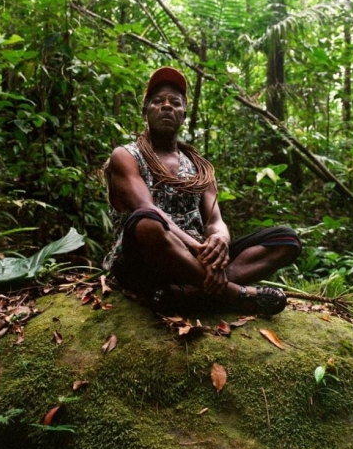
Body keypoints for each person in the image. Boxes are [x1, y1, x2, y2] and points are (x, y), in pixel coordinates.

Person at [103, 66, 301, 315]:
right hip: (146, 259)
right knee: (147, 222)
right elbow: (146, 207)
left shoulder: (200, 168)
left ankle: (188, 293)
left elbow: (214, 220)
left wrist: (219, 240)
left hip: (196, 258)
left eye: (175, 102)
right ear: (145, 111)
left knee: (286, 240)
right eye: (158, 101)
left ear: (184, 115)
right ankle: (233, 295)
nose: (167, 106)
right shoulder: (126, 156)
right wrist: (195, 247)